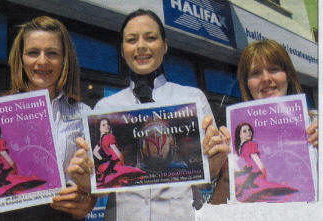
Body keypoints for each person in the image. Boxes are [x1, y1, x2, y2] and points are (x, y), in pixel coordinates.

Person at [68, 9, 230, 221]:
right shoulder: (105, 108)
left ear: (165, 45)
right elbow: (103, 185)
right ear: (123, 49)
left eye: (151, 38)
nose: (141, 46)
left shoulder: (193, 99)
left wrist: (216, 159)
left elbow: (205, 178)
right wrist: (85, 180)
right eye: (131, 40)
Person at [0, 16, 96, 220]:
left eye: (52, 53)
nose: (42, 61)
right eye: (33, 52)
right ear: (21, 58)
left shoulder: (83, 113)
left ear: (64, 59)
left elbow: (93, 189)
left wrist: (87, 198)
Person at [212, 39, 319, 204]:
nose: (266, 78)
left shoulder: (317, 122)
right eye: (255, 73)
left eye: (274, 69)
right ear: (247, 84)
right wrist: (227, 171)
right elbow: (218, 209)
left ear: (288, 75)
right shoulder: (236, 135)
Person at [234, 122, 298, 202]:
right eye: (244, 131)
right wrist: (263, 171)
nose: (248, 133)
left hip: (248, 176)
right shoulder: (250, 144)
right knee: (279, 192)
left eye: (249, 130)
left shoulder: (240, 149)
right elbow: (257, 160)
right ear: (239, 135)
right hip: (257, 172)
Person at [0, 120, 46, 200]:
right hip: (8, 168)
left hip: (0, 169)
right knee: (17, 185)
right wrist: (13, 164)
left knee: (7, 190)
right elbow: (4, 154)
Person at [93, 118, 145, 187]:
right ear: (99, 128)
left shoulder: (100, 140)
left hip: (106, 165)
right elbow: (117, 152)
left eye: (108, 124)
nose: (107, 126)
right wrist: (122, 162)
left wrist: (102, 159)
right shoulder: (109, 136)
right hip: (116, 162)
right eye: (103, 125)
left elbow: (95, 152)